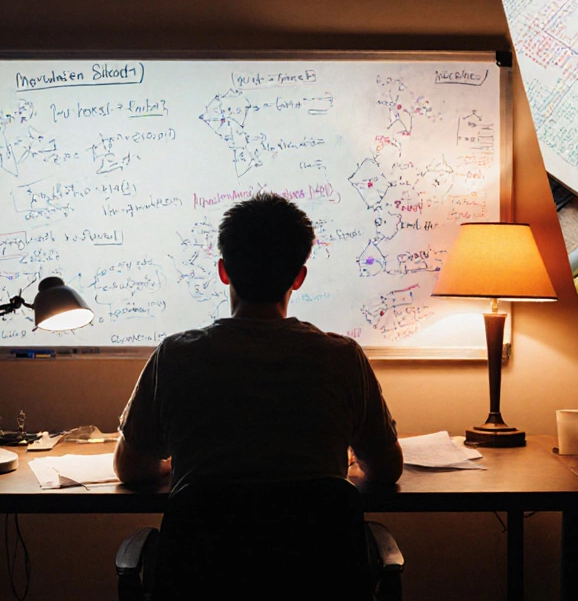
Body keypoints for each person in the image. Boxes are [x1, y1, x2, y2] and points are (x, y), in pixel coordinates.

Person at [114, 192, 403, 488]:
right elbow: (387, 469)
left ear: (223, 271)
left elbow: (131, 468)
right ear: (299, 278)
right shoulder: (343, 359)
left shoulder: (174, 357)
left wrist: (172, 466)